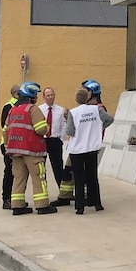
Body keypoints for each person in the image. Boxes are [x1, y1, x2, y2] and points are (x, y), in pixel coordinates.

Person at [51, 79, 105, 207]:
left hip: (86, 146)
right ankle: (66, 195)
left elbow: (99, 125)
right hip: (80, 145)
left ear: (91, 92)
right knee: (69, 171)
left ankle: (86, 198)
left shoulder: (98, 108)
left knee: (85, 174)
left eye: (86, 90)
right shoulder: (89, 109)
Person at [5, 81, 55, 215]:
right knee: (39, 177)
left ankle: (17, 206)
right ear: (31, 96)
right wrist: (47, 126)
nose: (37, 99)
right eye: (36, 96)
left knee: (19, 179)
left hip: (15, 151)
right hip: (32, 151)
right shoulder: (32, 109)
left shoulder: (12, 110)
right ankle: (42, 205)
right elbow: (41, 129)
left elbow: (5, 130)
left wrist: (7, 146)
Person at [65, 88, 114, 214]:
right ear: (87, 97)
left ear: (76, 99)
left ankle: (80, 206)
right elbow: (110, 119)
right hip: (92, 148)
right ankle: (96, 203)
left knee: (79, 178)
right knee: (92, 176)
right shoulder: (96, 110)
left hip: (77, 149)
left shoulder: (73, 112)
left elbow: (69, 131)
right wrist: (99, 127)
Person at [38, 87, 68, 188]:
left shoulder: (60, 110)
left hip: (55, 140)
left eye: (52, 95)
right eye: (48, 95)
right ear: (44, 97)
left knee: (58, 167)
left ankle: (63, 191)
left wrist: (61, 139)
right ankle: (43, 189)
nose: (51, 97)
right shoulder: (39, 110)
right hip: (43, 140)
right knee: (41, 168)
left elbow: (64, 125)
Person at [0, 84, 19, 210]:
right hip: (8, 144)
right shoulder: (9, 106)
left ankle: (15, 199)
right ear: (14, 94)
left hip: (18, 144)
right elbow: (4, 125)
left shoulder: (22, 106)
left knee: (18, 173)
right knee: (9, 172)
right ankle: (6, 199)